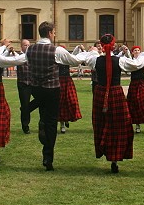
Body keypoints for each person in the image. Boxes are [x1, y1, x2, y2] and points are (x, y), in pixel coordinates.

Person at [25, 21, 96, 171]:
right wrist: (91, 53)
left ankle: (34, 114)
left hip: (36, 88)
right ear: (50, 33)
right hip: (51, 89)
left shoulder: (30, 49)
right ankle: (48, 158)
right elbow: (75, 60)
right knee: (51, 123)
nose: (55, 34)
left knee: (43, 114)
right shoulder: (56, 50)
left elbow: (21, 61)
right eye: (54, 32)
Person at [81, 34, 144, 173]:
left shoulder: (95, 60)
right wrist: (143, 55)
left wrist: (92, 51)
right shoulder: (120, 60)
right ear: (114, 45)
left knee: (101, 123)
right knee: (119, 125)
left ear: (101, 46)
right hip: (115, 93)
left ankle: (104, 149)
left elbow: (84, 58)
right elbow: (137, 64)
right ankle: (114, 159)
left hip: (100, 93)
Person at [126, 46, 144, 134]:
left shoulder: (142, 59)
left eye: (138, 50)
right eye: (135, 50)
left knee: (143, 101)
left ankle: (143, 119)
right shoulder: (131, 61)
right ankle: (136, 125)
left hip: (141, 82)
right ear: (132, 52)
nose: (137, 52)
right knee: (134, 103)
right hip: (134, 83)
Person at [58, 46, 83, 134]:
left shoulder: (68, 58)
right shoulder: (57, 59)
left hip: (67, 80)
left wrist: (78, 47)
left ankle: (67, 119)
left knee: (71, 101)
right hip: (59, 81)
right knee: (60, 103)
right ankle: (62, 125)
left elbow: (74, 55)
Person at [16, 39, 38, 134]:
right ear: (21, 47)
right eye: (25, 45)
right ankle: (25, 126)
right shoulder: (18, 57)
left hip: (33, 83)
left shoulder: (33, 57)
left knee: (41, 99)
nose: (27, 47)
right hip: (23, 84)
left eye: (29, 45)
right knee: (25, 103)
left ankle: (25, 109)